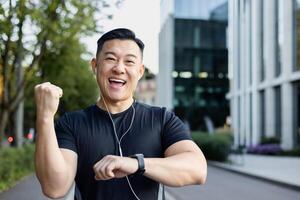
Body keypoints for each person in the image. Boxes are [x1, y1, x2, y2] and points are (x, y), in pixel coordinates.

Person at [34, 28, 207, 200]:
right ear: (95, 66)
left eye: (129, 62)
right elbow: (54, 187)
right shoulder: (71, 123)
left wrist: (135, 164)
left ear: (140, 71)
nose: (119, 68)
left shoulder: (161, 119)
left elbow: (198, 170)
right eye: (110, 59)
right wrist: (45, 117)